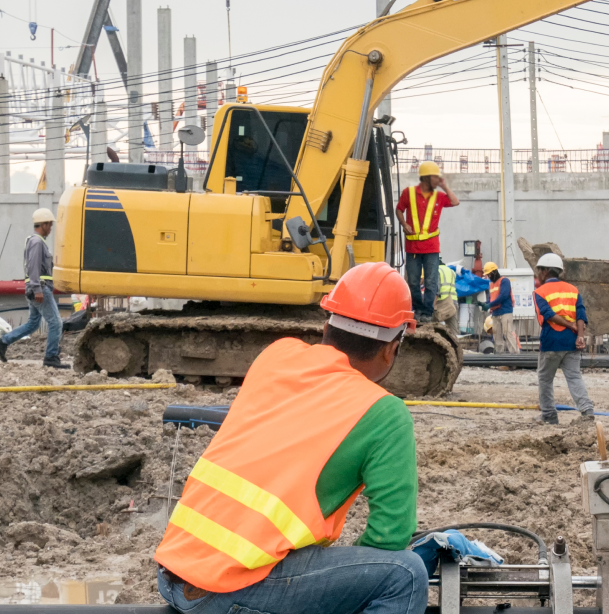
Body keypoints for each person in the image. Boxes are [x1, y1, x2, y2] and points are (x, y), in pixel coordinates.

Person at [153, 262, 427, 614]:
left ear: (327, 325)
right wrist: (351, 583)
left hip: (175, 571)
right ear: (392, 348)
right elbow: (390, 536)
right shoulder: (384, 413)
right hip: (228, 589)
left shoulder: (277, 356)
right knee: (405, 574)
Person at [0, 208, 68, 369]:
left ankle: (2, 342)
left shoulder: (35, 241)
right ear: (44, 224)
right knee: (56, 323)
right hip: (39, 289)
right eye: (50, 225)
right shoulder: (37, 242)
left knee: (33, 324)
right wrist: (37, 289)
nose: (51, 228)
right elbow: (33, 267)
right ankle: (51, 357)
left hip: (35, 288)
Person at [532, 253, 594, 425]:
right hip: (572, 342)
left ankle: (549, 416)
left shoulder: (539, 292)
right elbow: (581, 314)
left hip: (551, 341)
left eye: (539, 270)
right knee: (574, 377)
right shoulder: (573, 290)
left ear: (545, 271)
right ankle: (587, 411)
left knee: (545, 379)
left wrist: (569, 325)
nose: (538, 274)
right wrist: (580, 335)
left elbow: (548, 314)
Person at [395, 161, 459, 324]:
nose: (438, 180)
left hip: (431, 248)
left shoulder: (439, 197)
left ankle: (428, 312)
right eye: (435, 177)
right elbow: (399, 209)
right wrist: (404, 224)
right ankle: (417, 310)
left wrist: (444, 186)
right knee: (413, 282)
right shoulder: (408, 193)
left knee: (431, 282)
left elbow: (455, 201)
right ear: (425, 178)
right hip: (413, 248)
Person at [484, 262, 519, 354]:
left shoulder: (504, 281)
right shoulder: (491, 284)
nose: (489, 276)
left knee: (508, 334)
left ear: (495, 272)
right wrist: (485, 304)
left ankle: (515, 358)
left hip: (505, 312)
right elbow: (490, 298)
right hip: (495, 313)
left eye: (489, 274)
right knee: (497, 336)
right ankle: (500, 358)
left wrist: (489, 305)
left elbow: (503, 296)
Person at [435, 263, 459, 332]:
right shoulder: (451, 271)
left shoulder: (437, 270)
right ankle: (455, 342)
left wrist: (434, 304)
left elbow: (437, 289)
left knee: (433, 327)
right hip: (453, 302)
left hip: (442, 302)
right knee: (453, 330)